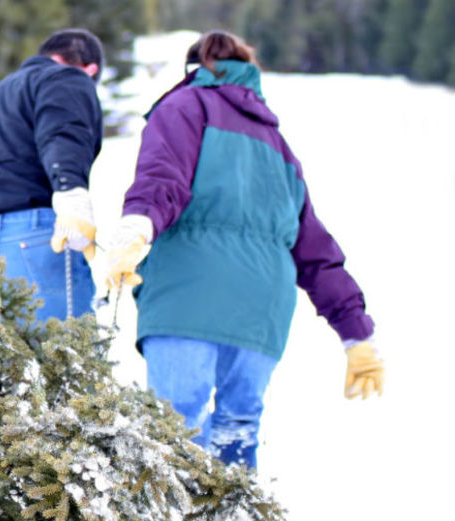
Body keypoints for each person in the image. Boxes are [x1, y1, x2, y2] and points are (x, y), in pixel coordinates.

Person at [100, 30, 385, 470]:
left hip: (188, 295)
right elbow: (315, 248)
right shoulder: (279, 147)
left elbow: (162, 181)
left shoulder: (183, 106)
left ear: (196, 67)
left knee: (172, 433)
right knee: (237, 429)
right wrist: (356, 334)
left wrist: (136, 230)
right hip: (262, 309)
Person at [0, 28, 105, 324]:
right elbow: (64, 132)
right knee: (68, 362)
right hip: (34, 236)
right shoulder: (68, 78)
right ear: (90, 70)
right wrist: (72, 194)